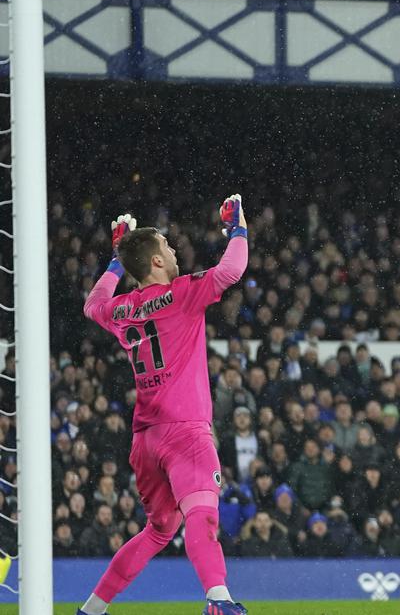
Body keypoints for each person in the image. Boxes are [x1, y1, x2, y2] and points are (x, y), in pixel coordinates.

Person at [78, 197, 249, 615]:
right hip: (185, 430)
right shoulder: (181, 293)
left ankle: (91, 610)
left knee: (158, 530)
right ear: (156, 261)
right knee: (202, 514)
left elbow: (92, 304)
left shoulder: (121, 309)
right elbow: (232, 269)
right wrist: (238, 228)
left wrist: (116, 262)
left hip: (146, 439)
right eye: (168, 247)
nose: (174, 252)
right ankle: (218, 600)